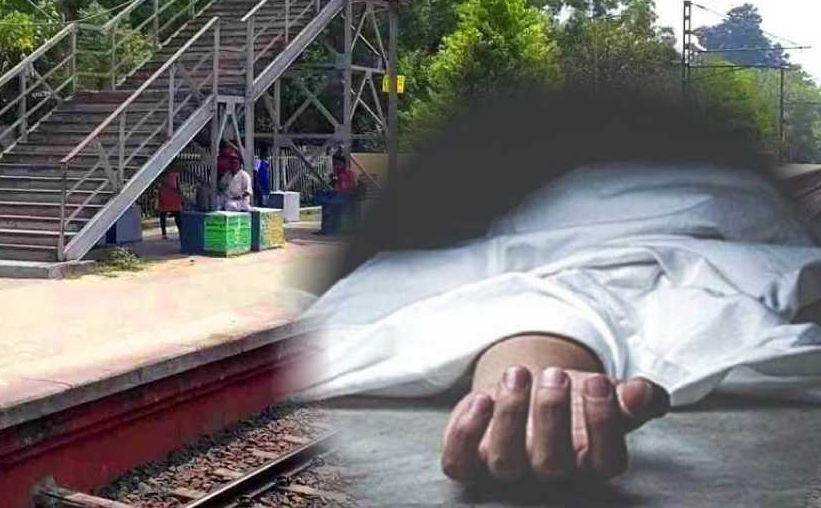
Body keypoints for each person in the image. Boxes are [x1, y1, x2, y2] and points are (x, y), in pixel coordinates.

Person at [296, 89, 821, 489]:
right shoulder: (585, 212)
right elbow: (578, 283)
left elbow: (571, 284)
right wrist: (534, 365)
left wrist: (532, 365)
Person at [156, 169, 184, 239]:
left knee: (164, 215)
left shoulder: (162, 173)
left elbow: (177, 185)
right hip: (172, 194)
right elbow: (178, 185)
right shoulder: (174, 174)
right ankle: (181, 232)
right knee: (177, 214)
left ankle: (164, 234)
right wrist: (180, 195)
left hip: (165, 193)